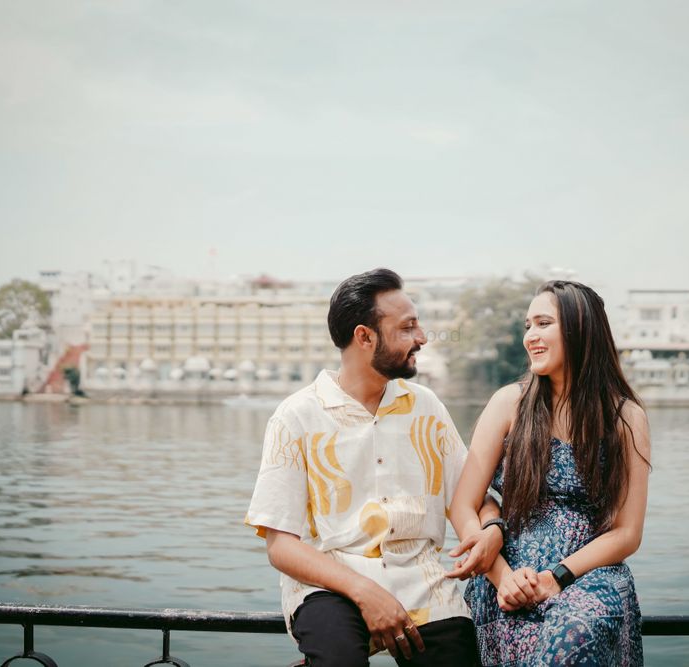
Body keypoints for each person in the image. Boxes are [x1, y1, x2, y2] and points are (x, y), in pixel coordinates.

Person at [245, 268, 497, 667]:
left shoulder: (427, 407)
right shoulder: (296, 416)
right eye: (407, 328)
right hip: (330, 586)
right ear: (364, 337)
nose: (422, 338)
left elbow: (472, 497)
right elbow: (281, 546)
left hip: (425, 586)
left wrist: (489, 529)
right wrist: (364, 591)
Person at [447, 280, 651, 666]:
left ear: (580, 329)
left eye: (543, 324)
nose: (530, 337)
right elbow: (463, 505)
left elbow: (627, 532)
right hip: (509, 574)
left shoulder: (625, 418)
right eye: (528, 326)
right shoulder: (509, 403)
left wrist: (557, 577)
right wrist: (502, 576)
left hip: (589, 573)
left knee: (577, 631)